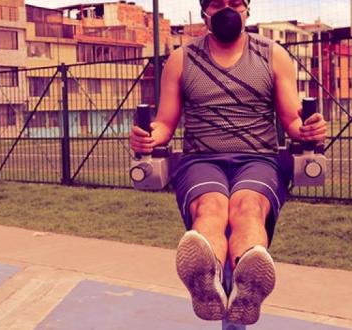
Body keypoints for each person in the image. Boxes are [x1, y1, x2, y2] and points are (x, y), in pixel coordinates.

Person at [129, 0, 328, 325]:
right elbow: (165, 123)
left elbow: (293, 121)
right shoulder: (181, 60)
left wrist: (308, 128)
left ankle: (248, 285)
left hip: (258, 159)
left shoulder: (273, 55)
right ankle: (205, 283)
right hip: (201, 160)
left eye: (235, 3)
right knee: (211, 208)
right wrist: (147, 136)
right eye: (218, 3)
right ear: (205, 10)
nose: (227, 10)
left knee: (248, 208)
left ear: (248, 8)